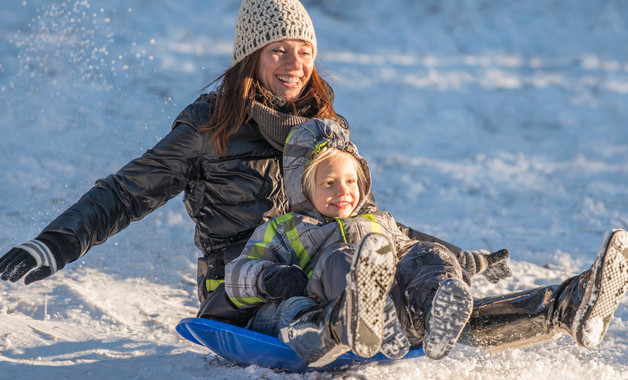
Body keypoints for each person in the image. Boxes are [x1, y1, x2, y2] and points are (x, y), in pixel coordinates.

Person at [0, 0, 507, 330]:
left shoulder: (326, 128)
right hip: (248, 287)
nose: (294, 63)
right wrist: (55, 243)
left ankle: (502, 313)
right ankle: (344, 322)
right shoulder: (210, 128)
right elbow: (126, 193)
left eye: (304, 51)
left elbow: (368, 219)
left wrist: (463, 258)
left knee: (404, 270)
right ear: (252, 58)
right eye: (279, 50)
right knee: (306, 296)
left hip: (334, 266)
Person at [225, 118, 484, 365]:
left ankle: (433, 316)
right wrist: (267, 278)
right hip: (331, 314)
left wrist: (446, 266)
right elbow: (235, 276)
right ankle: (364, 318)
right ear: (304, 187)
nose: (343, 191)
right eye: (329, 182)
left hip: (401, 320)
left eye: (350, 181)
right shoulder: (285, 229)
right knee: (342, 258)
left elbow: (409, 254)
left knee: (427, 253)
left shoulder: (379, 221)